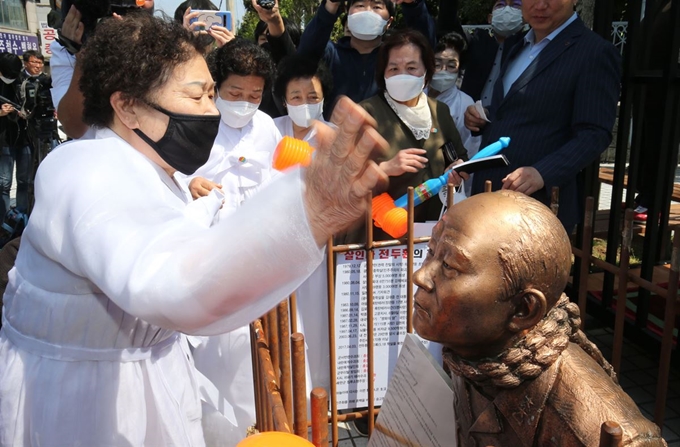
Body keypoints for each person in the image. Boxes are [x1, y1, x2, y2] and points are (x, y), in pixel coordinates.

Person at [0, 14, 389, 445]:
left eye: (210, 94)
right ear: (128, 105)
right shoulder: (86, 171)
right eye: (199, 96)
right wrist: (308, 211)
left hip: (148, 388)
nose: (211, 111)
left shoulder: (152, 170)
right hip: (85, 414)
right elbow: (172, 283)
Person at [413, 190, 666, 446]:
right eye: (432, 251)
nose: (420, 276)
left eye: (449, 267)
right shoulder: (474, 346)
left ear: (523, 309)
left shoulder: (600, 434)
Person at [464, 0, 621, 231]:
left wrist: (543, 173)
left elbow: (594, 133)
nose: (540, 5)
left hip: (539, 205)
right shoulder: (516, 44)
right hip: (489, 195)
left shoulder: (594, 52)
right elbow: (514, 111)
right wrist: (483, 118)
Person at [342, 29, 466, 243]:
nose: (403, 75)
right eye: (394, 68)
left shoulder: (440, 112)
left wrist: (458, 170)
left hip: (430, 236)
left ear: (426, 71)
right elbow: (341, 178)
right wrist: (385, 169)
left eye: (411, 68)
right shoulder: (366, 113)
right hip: (377, 238)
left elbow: (459, 159)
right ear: (383, 73)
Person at [297, 0, 436, 118]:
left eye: (377, 7)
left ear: (389, 22)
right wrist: (330, 6)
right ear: (348, 15)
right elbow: (304, 56)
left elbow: (425, 45)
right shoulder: (330, 53)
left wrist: (413, 5)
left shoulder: (395, 58)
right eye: (360, 5)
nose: (367, 12)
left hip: (386, 143)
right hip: (335, 141)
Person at [427, 32, 480, 165]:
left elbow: (470, 149)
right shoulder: (414, 95)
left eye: (451, 66)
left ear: (459, 69)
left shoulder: (466, 104)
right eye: (437, 64)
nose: (443, 70)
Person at [273, 55, 333, 145]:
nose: (305, 104)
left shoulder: (336, 137)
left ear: (323, 98)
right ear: (284, 100)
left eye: (313, 97)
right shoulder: (272, 129)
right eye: (296, 97)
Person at [0, 53, 31, 218]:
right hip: (4, 140)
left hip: (23, 138)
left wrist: (26, 113)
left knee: (24, 181)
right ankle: (5, 220)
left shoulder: (21, 82)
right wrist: (1, 113)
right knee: (4, 184)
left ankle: (21, 215)